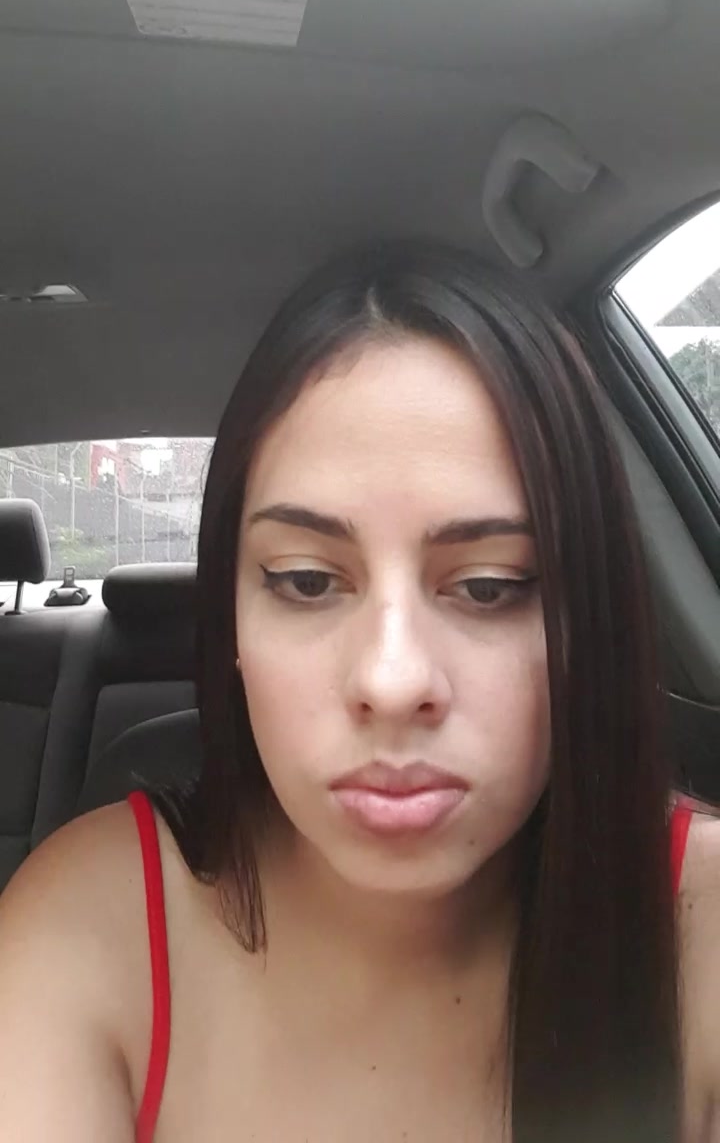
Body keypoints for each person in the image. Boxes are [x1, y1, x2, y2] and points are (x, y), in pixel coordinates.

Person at [0, 243, 718, 1143]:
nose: (391, 679)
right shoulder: (90, 923)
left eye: (489, 586)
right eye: (305, 581)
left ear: (589, 624)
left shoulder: (700, 925)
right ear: (231, 625)